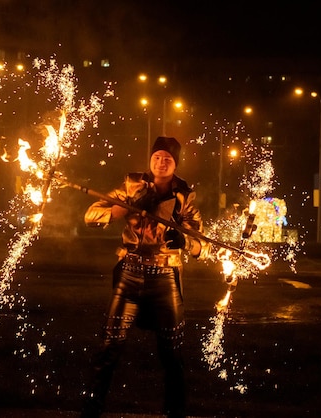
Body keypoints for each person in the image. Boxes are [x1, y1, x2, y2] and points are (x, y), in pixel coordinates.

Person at [80, 136, 210, 418]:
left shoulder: (184, 195)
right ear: (150, 159)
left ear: (175, 164)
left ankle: (175, 413)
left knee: (171, 354)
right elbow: (91, 215)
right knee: (108, 349)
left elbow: (202, 244)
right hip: (129, 273)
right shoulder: (132, 186)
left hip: (165, 277)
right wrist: (124, 207)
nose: (161, 162)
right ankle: (90, 411)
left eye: (168, 159)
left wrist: (185, 241)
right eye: (157, 157)